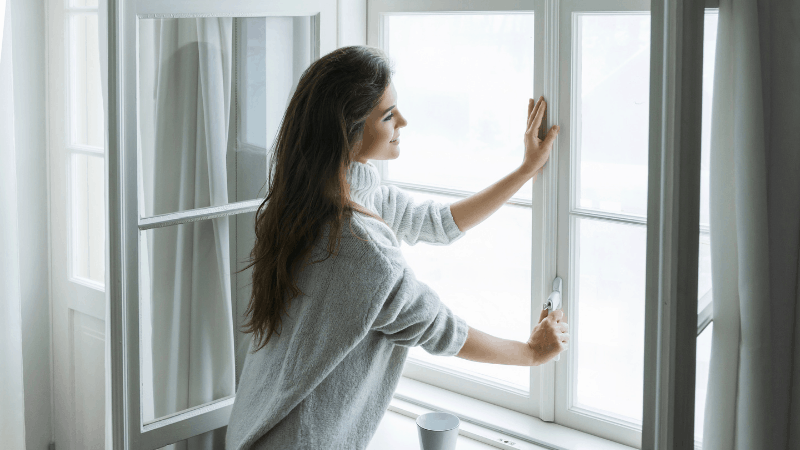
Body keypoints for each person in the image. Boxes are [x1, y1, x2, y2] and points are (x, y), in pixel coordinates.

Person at [224, 45, 567, 450]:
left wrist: (526, 169)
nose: (402, 121)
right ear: (347, 131)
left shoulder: (311, 196)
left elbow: (437, 223)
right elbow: (439, 328)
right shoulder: (359, 248)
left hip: (255, 426)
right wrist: (530, 353)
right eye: (388, 115)